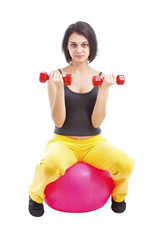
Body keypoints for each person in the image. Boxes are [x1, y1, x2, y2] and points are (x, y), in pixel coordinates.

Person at [29, 21, 134, 217]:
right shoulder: (56, 77)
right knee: (51, 166)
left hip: (94, 144)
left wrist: (103, 89)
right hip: (63, 143)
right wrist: (59, 88)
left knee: (125, 164)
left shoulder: (101, 78)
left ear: (91, 47)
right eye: (74, 44)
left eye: (84, 44)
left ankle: (118, 196)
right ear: (67, 47)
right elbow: (59, 122)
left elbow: (96, 123)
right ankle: (35, 195)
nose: (79, 50)